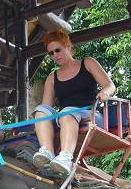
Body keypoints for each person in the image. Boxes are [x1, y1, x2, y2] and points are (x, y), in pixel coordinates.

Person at [32, 28, 116, 175]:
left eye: (58, 50)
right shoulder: (52, 77)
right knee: (40, 111)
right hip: (65, 117)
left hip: (91, 115)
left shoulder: (88, 63)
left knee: (67, 112)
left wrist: (105, 92)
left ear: (68, 46)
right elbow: (46, 108)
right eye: (51, 53)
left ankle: (65, 157)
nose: (55, 55)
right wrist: (40, 123)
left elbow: (110, 85)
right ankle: (47, 152)